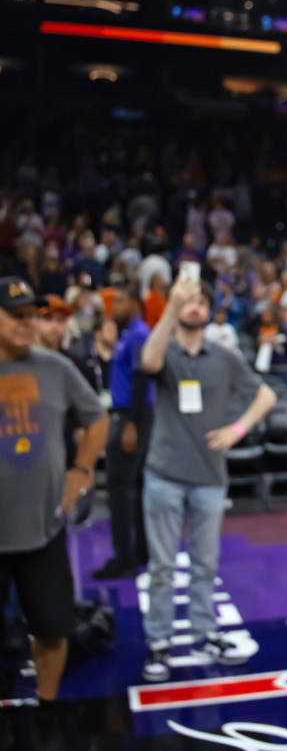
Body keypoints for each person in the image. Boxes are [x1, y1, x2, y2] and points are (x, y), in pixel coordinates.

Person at [137, 277, 277, 682]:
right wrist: (169, 307)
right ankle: (159, 643)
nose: (194, 306)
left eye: (200, 301)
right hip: (164, 473)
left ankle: (204, 631)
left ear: (210, 309)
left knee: (205, 565)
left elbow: (265, 395)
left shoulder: (224, 354)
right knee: (162, 566)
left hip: (210, 477)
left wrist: (238, 429)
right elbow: (148, 362)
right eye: (188, 301)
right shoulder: (165, 350)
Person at [0, 276, 109, 705]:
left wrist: (80, 470)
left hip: (43, 531)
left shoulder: (56, 368)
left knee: (52, 629)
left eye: (32, 316)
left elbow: (97, 419)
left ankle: (46, 708)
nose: (27, 324)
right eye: (16, 316)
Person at [93, 282, 155, 579]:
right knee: (137, 485)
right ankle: (141, 550)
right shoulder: (128, 334)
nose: (113, 307)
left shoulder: (140, 334)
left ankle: (125, 558)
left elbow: (142, 379)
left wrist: (130, 423)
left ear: (134, 303)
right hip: (131, 414)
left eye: (119, 302)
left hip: (134, 416)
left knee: (119, 487)